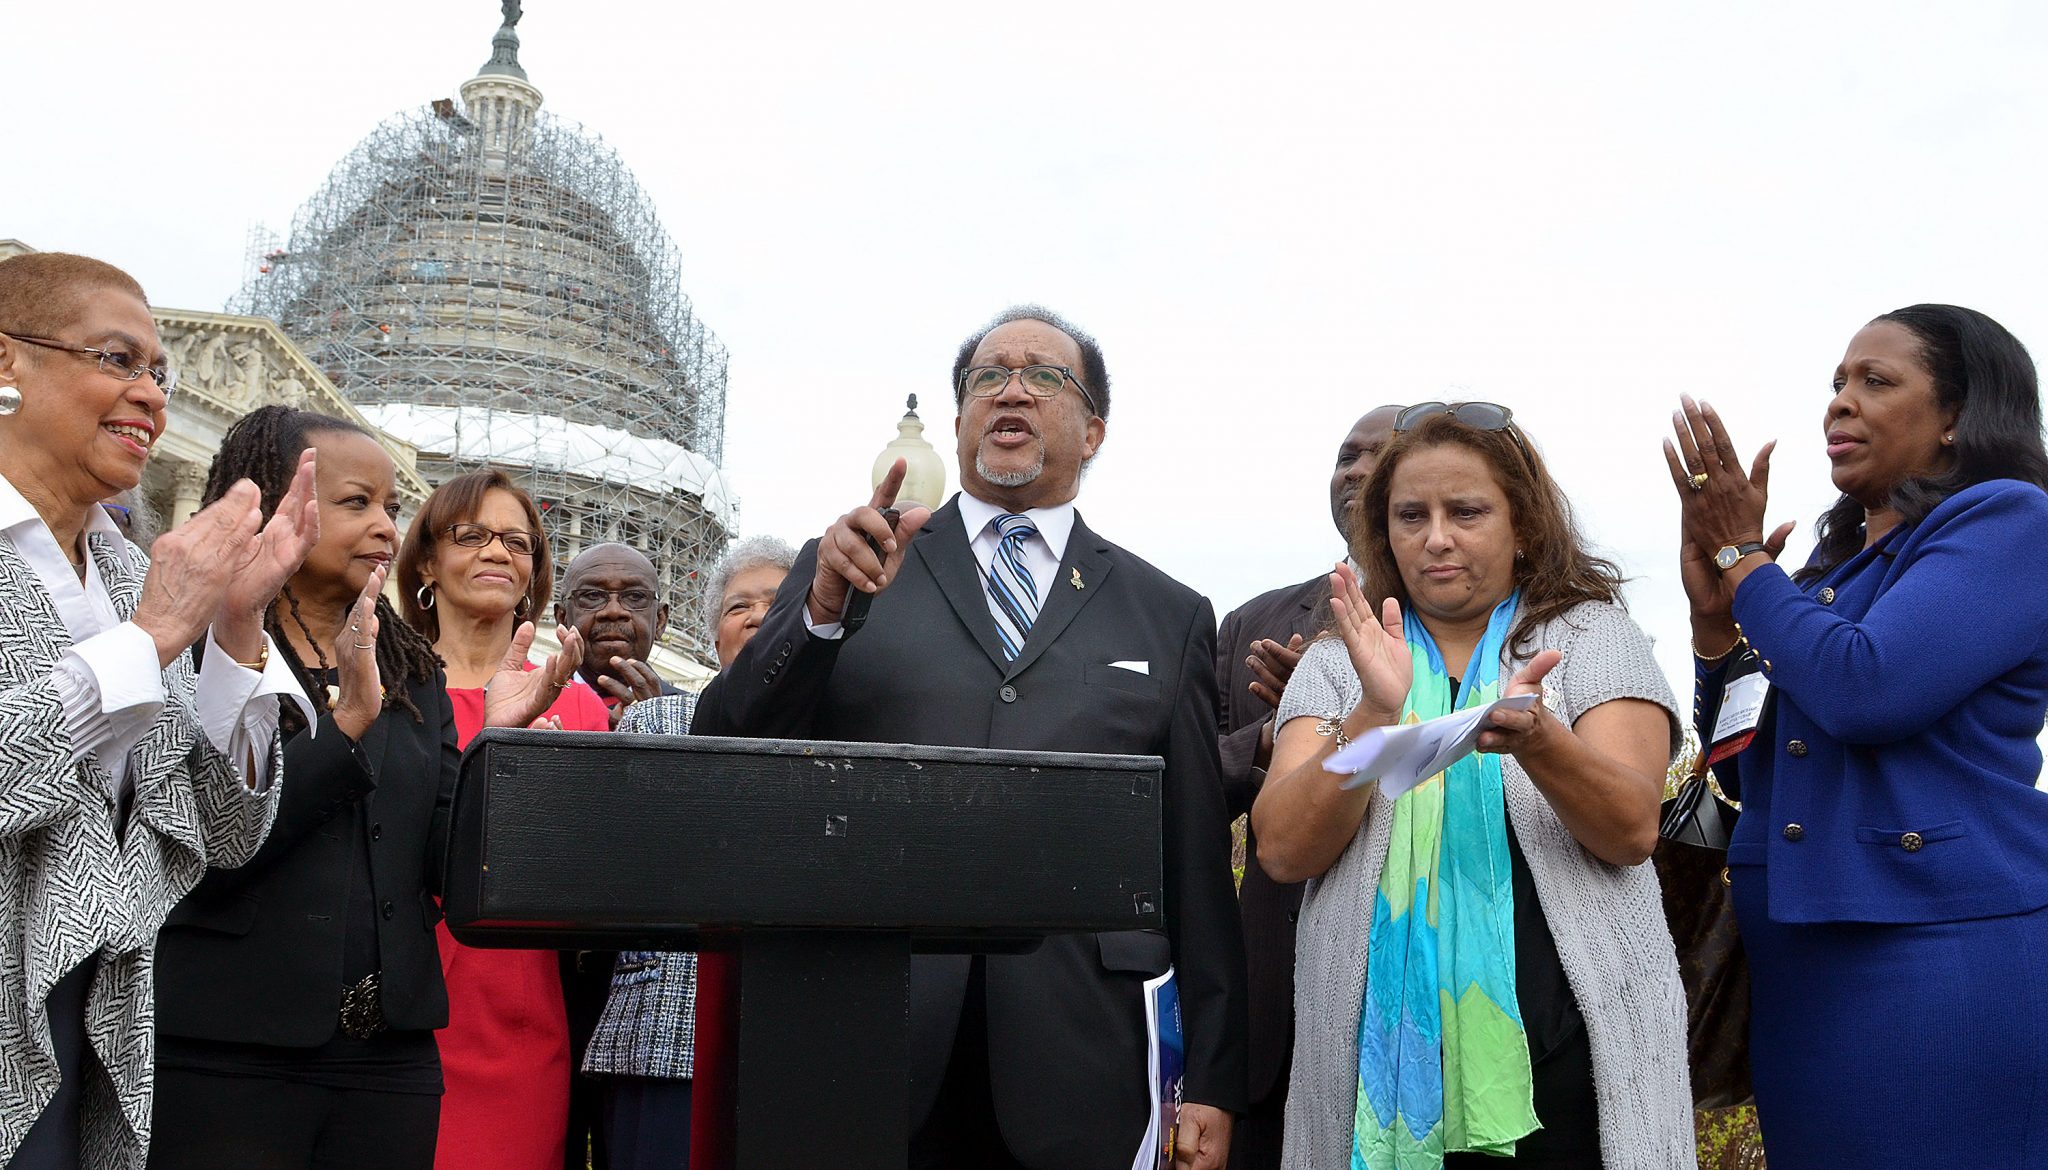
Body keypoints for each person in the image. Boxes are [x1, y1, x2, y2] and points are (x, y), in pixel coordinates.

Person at [692, 306, 1246, 1170]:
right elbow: (723, 744)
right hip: (867, 1024)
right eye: (988, 376)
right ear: (957, 424)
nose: (1012, 388)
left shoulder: (1167, 613)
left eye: (1044, 375)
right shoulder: (850, 565)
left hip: (1081, 1048)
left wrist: (1211, 1074)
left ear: (1094, 429)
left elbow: (1197, 866)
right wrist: (821, 615)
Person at [1255, 403, 1692, 1168]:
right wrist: (1374, 714)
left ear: (1522, 525)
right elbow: (1285, 849)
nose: (1437, 537)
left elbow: (1629, 830)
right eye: (1411, 516)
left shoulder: (1591, 639)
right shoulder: (1337, 665)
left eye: (1466, 511)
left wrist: (1542, 741)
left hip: (1575, 1068)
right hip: (1372, 1075)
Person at [1666, 305, 2048, 1167]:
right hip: (1802, 966)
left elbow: (1866, 689)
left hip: (1935, 953)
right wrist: (1714, 628)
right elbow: (1743, 762)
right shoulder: (1827, 575)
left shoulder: (2011, 522)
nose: (1840, 402)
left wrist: (1744, 560)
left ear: (1956, 414)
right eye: (1837, 383)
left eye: (1876, 381)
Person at [0, 252, 317, 1169]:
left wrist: (237, 628)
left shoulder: (141, 578)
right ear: (7, 365)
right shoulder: (153, 604)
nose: (150, 395)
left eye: (160, 374)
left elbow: (222, 833)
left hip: (92, 1034)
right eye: (116, 359)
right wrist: (149, 641)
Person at [394, 470, 598, 1170]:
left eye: (516, 541)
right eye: (471, 535)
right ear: (425, 560)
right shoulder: (381, 692)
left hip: (521, 1018)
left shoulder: (578, 712)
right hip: (393, 1015)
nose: (496, 553)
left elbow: (588, 888)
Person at [1216, 404, 1399, 1170]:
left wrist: (1347, 718)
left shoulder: (1474, 626)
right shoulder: (1252, 622)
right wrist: (1278, 736)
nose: (1355, 470)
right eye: (1343, 455)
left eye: (1377, 455)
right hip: (1270, 1015)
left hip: (1408, 1007)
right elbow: (1189, 779)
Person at [582, 535, 796, 1170]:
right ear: (711, 640)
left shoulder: (849, 724)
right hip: (663, 1042)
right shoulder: (655, 724)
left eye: (779, 602)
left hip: (800, 1033)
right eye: (738, 607)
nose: (758, 616)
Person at [555, 542, 678, 729]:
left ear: (660, 621)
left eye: (635, 596)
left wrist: (656, 730)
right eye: (592, 595)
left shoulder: (696, 718)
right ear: (562, 618)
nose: (613, 611)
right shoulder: (530, 707)